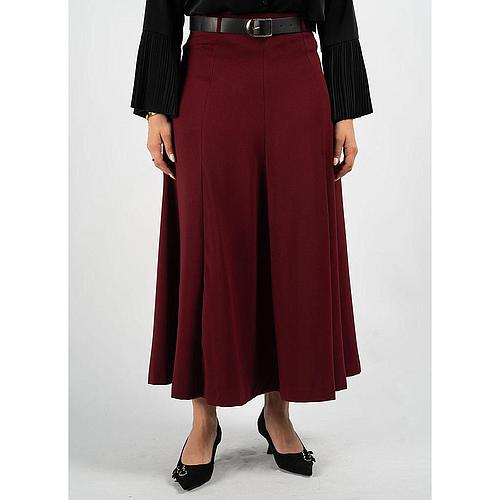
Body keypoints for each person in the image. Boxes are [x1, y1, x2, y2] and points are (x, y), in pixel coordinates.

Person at [131, 0, 372, 491]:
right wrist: (156, 108)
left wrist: (345, 110)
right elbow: (162, 6)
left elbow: (338, 8)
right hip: (211, 66)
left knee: (292, 247)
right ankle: (204, 420)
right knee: (208, 245)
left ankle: (277, 413)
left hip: (296, 67)